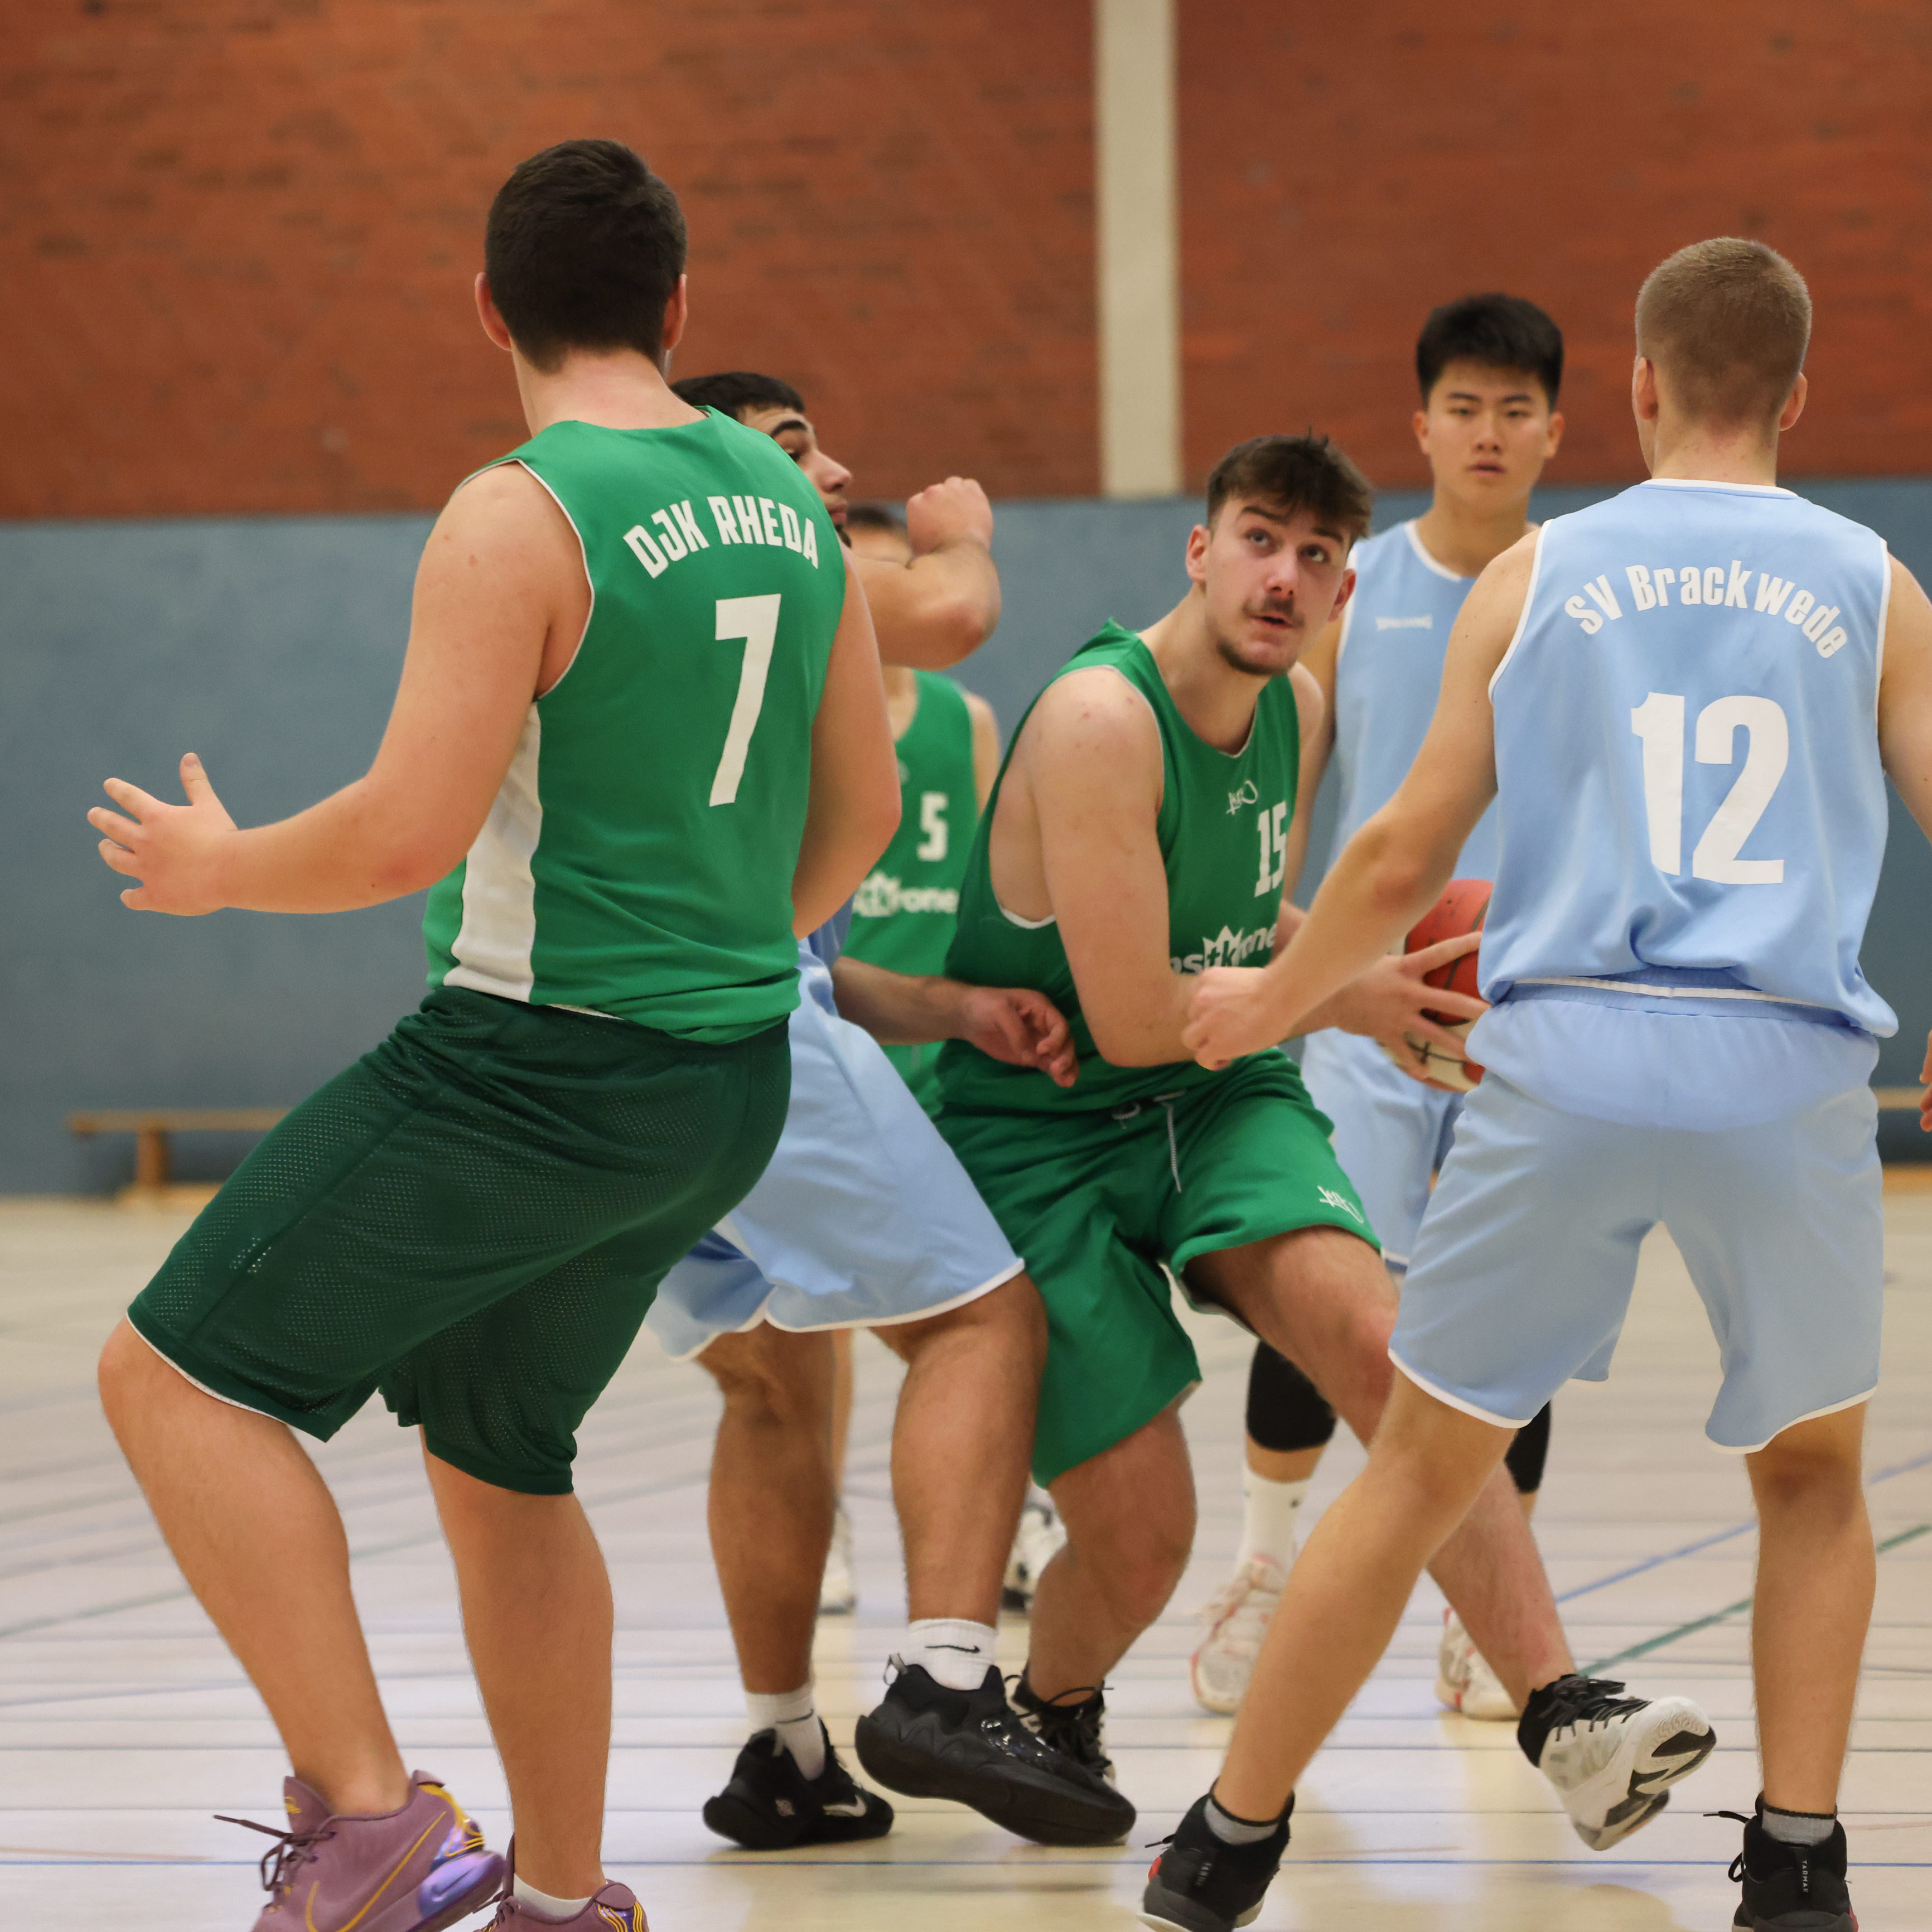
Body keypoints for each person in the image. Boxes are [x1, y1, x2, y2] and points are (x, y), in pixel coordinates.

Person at [85, 139, 901, 1931]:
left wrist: (224, 868)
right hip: (726, 1079)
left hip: (532, 1069)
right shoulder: (791, 509)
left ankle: (370, 1818)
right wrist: (712, 952)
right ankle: (562, 1894)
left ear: (487, 310)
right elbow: (863, 813)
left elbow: (405, 832)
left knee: (172, 1379)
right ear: (677, 304)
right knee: (500, 1455)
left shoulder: (516, 515)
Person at [1162, 237, 1931, 1932]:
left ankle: (1223, 1842)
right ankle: (1799, 1864)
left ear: (1639, 386)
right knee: (1811, 1481)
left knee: (1418, 1470)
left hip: (1560, 1056)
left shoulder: (1536, 575)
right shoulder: (1875, 585)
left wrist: (1269, 1000)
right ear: (1798, 395)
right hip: (1781, 1073)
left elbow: (1398, 849)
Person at [935, 430, 1713, 1852]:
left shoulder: (1293, 706)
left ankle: (1566, 1716)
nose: (1284, 577)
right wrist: (1349, 998)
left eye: (1316, 555)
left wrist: (1366, 979)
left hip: (1213, 1093)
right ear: (1199, 550)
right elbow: (1132, 1014)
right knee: (1143, 1534)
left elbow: (1241, 931)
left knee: (1388, 1347)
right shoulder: (1100, 718)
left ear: (1345, 587)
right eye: (1259, 540)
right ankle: (1051, 1702)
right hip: (1043, 1125)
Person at [646, 378, 1132, 1852]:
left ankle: (781, 1749)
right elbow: (957, 609)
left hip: (618, 1040)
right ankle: (945, 1677)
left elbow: (800, 940)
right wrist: (959, 530)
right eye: (796, 449)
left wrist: (952, 1007)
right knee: (985, 1319)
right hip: (738, 1030)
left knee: (771, 1386)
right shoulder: (751, 561)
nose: (835, 471)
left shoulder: (645, 615)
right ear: (720, 474)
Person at [1194, 294, 1568, 1722]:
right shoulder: (1358, 593)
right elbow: (1287, 794)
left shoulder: (1574, 589)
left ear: (1555, 429)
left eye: (1515, 408)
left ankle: (1490, 1613)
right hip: (1362, 1002)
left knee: (1509, 1316)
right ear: (1420, 425)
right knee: (1326, 1294)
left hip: (1519, 1006)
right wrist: (1280, 972)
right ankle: (1263, 1562)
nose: (1488, 432)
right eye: (1463, 406)